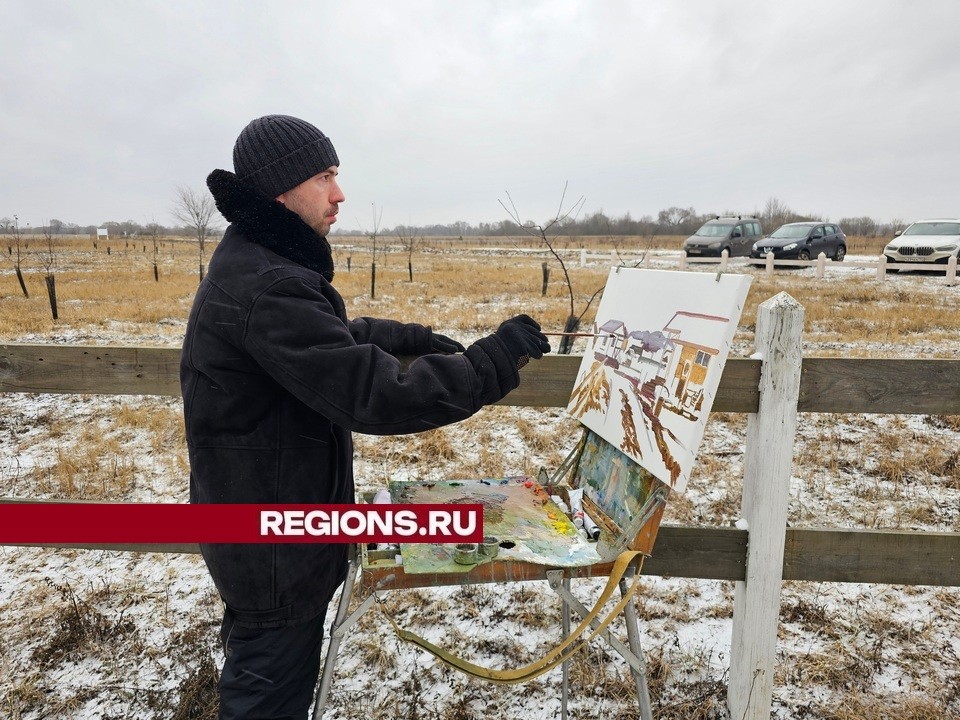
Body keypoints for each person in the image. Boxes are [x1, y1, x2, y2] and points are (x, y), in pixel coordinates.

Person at [180, 114, 551, 719]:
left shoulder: (261, 264)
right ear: (282, 188)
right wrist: (489, 363)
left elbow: (325, 341)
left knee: (272, 671)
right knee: (268, 689)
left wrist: (410, 337)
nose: (339, 193)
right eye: (325, 176)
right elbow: (372, 394)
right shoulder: (268, 284)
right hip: (274, 544)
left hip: (272, 527)